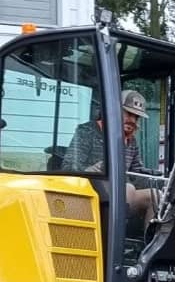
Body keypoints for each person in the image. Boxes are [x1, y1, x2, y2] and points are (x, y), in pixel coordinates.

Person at [64, 89, 157, 221]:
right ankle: (113, 238)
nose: (133, 120)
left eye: (137, 117)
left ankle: (151, 240)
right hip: (89, 192)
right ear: (114, 110)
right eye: (129, 114)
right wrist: (92, 170)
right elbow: (68, 166)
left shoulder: (131, 141)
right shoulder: (87, 131)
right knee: (128, 189)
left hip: (119, 192)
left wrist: (157, 178)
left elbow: (136, 173)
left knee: (155, 195)